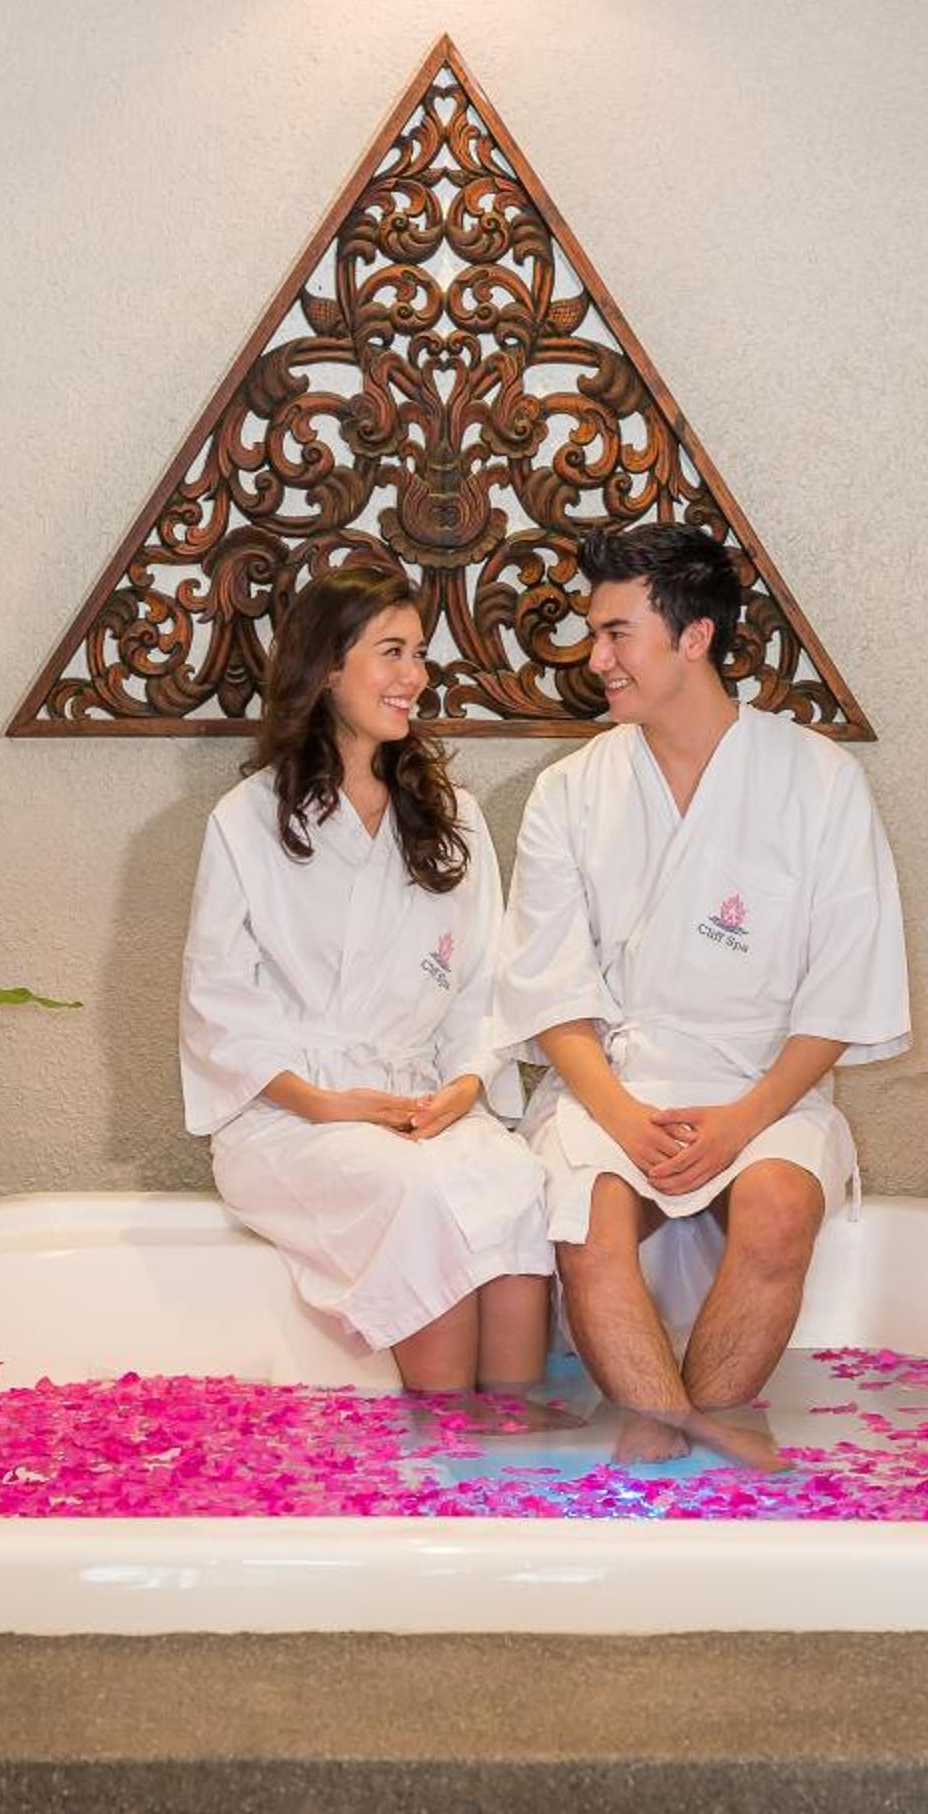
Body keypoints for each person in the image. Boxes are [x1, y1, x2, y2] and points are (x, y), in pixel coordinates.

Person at [490, 525, 909, 1464]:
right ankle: (684, 1436)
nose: (595, 659)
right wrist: (623, 1117)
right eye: (594, 633)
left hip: (764, 1086)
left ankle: (680, 1432)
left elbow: (844, 992)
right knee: (587, 1216)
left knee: (780, 1205)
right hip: (614, 1085)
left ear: (694, 637)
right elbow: (550, 989)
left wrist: (741, 1121)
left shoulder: (820, 783)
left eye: (616, 634)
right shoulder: (569, 793)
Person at [179, 563, 555, 1394]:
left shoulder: (449, 816)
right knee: (414, 1192)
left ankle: (517, 1449)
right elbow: (218, 1004)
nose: (414, 676)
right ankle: (445, 1444)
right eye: (392, 652)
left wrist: (465, 1086)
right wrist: (324, 1103)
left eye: (419, 653)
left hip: (422, 1101)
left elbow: (482, 985)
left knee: (514, 1181)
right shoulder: (248, 820)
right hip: (290, 1115)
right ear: (326, 667)